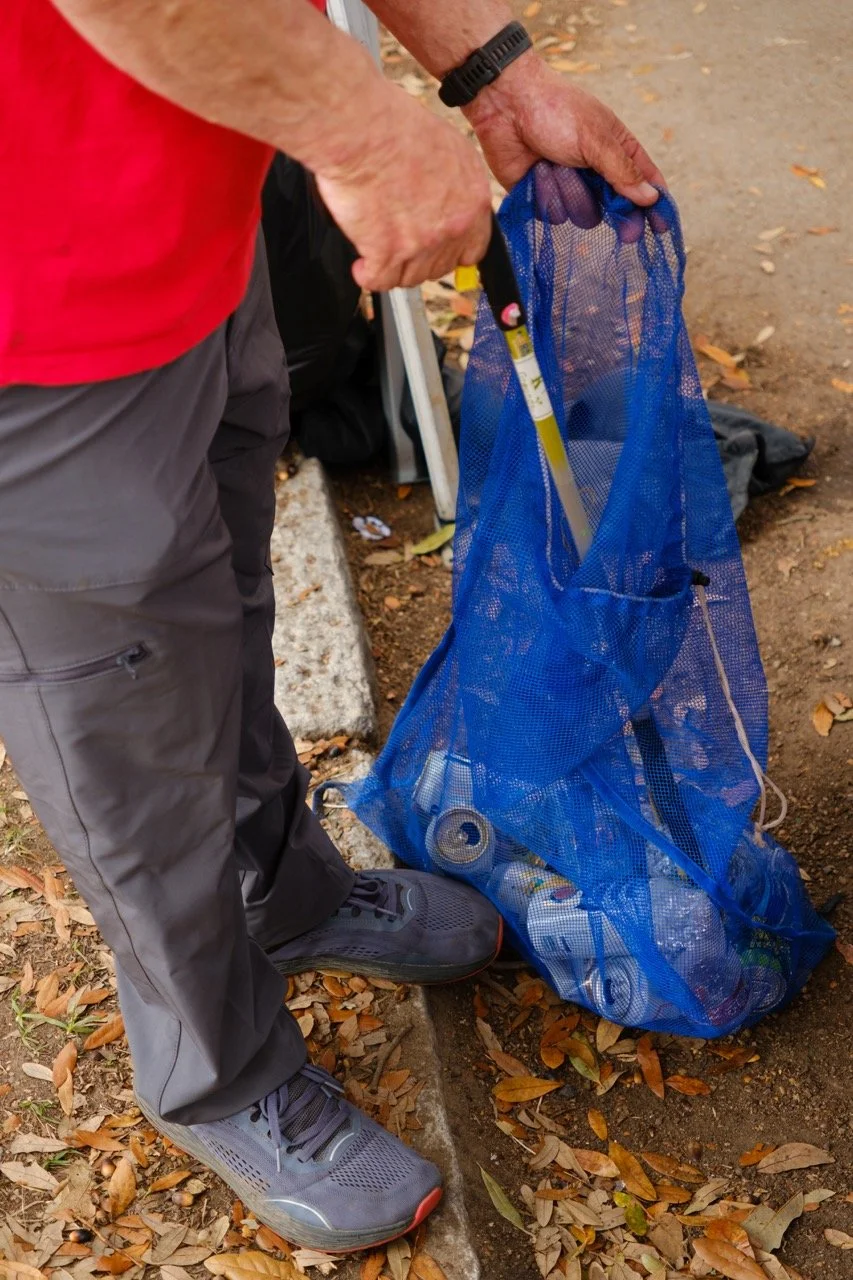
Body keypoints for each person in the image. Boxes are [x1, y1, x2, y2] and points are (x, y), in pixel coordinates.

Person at [0, 0, 663, 1254]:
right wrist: (363, 140)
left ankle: (282, 893)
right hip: (30, 309)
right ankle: (220, 1070)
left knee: (215, 615)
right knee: (118, 708)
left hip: (191, 208)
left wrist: (488, 64)